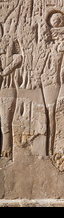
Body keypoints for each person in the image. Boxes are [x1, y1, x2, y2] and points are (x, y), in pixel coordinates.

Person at [0, 22, 23, 158]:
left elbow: (19, 57)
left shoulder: (9, 40)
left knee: (6, 118)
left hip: (7, 84)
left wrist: (7, 69)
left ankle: (7, 144)